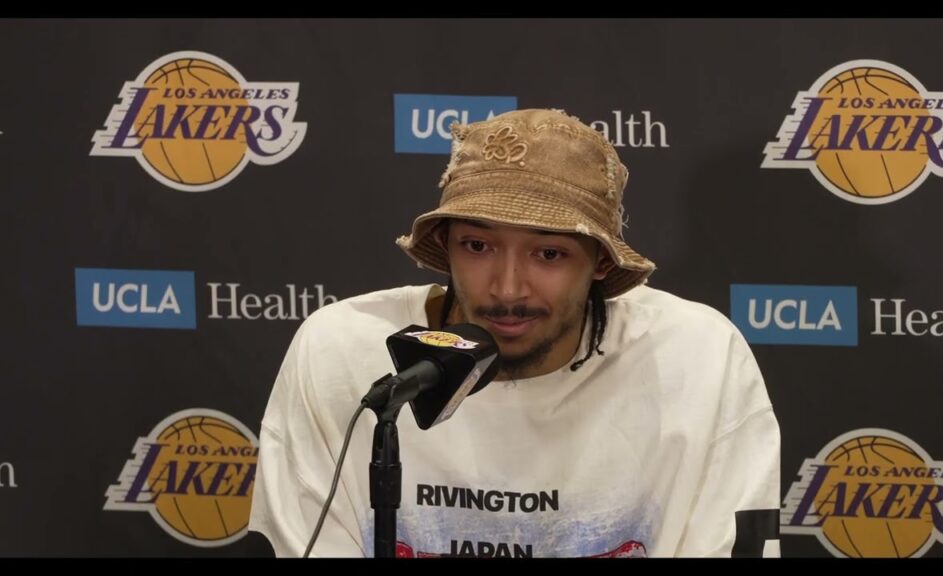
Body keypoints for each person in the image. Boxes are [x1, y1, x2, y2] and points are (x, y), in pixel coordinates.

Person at [248, 108, 781, 558]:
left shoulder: (695, 358)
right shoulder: (342, 351)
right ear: (446, 245)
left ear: (600, 262)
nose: (506, 288)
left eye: (548, 253)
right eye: (478, 246)